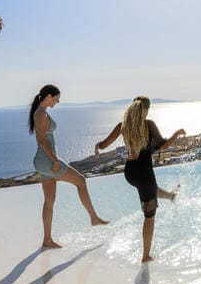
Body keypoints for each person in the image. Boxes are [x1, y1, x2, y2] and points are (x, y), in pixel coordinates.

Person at [95, 96, 185, 262]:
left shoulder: (123, 126)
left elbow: (104, 144)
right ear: (146, 110)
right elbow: (164, 145)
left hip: (130, 172)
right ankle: (145, 256)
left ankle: (171, 196)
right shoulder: (148, 124)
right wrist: (177, 133)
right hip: (144, 172)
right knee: (149, 216)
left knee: (150, 190)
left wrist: (97, 147)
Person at [29, 84, 107, 248]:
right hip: (47, 160)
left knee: (49, 200)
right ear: (49, 96)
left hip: (42, 161)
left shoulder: (39, 112)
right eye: (56, 98)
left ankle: (47, 240)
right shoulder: (41, 114)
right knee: (81, 181)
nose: (58, 101)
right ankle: (93, 217)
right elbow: (42, 140)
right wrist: (55, 160)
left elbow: (41, 139)